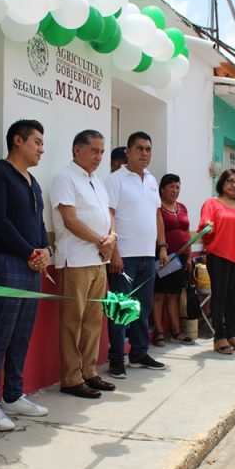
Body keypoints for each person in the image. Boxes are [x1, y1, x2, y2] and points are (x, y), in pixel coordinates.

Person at [0, 119, 51, 430]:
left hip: (31, 265)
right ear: (17, 141)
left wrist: (45, 251)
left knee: (21, 334)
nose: (41, 149)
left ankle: (13, 395)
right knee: (0, 335)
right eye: (36, 142)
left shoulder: (33, 182)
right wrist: (29, 252)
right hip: (7, 263)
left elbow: (38, 223)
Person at [51, 129, 118, 399]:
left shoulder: (97, 181)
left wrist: (111, 238)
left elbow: (108, 215)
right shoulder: (64, 178)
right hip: (76, 259)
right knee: (73, 321)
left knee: (93, 321)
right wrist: (101, 242)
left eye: (102, 151)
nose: (99, 156)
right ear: (77, 150)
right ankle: (71, 378)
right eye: (94, 151)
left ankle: (89, 372)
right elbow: (70, 220)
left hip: (99, 259)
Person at [105, 131, 166, 378]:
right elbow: (108, 215)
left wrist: (161, 247)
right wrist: (114, 253)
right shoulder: (115, 180)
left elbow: (157, 215)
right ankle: (116, 359)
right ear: (128, 152)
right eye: (139, 148)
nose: (144, 153)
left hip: (147, 256)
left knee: (142, 307)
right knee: (121, 308)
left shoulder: (151, 180)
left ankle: (139, 354)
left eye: (148, 149)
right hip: (124, 256)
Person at [199, 169, 235, 354]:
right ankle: (219, 337)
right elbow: (205, 224)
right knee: (220, 296)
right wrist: (208, 226)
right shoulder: (212, 203)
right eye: (229, 181)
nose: (233, 185)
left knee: (232, 296)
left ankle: (231, 334)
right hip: (219, 255)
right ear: (222, 182)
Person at [153, 173, 194, 346]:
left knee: (174, 295)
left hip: (181, 257)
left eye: (177, 187)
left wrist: (190, 255)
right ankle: (159, 332)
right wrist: (162, 250)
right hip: (163, 256)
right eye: (171, 187)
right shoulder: (157, 207)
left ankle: (176, 331)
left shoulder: (182, 207)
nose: (175, 190)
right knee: (159, 295)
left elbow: (187, 231)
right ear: (162, 189)